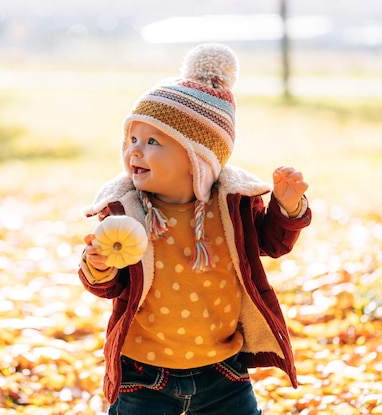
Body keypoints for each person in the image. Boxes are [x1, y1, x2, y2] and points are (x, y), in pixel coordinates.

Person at [78, 43, 312, 415]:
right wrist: (99, 265)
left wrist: (287, 207)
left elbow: (271, 242)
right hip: (143, 375)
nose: (134, 151)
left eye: (153, 141)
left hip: (224, 374)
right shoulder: (126, 212)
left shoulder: (231, 205)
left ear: (197, 159)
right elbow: (110, 285)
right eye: (132, 139)